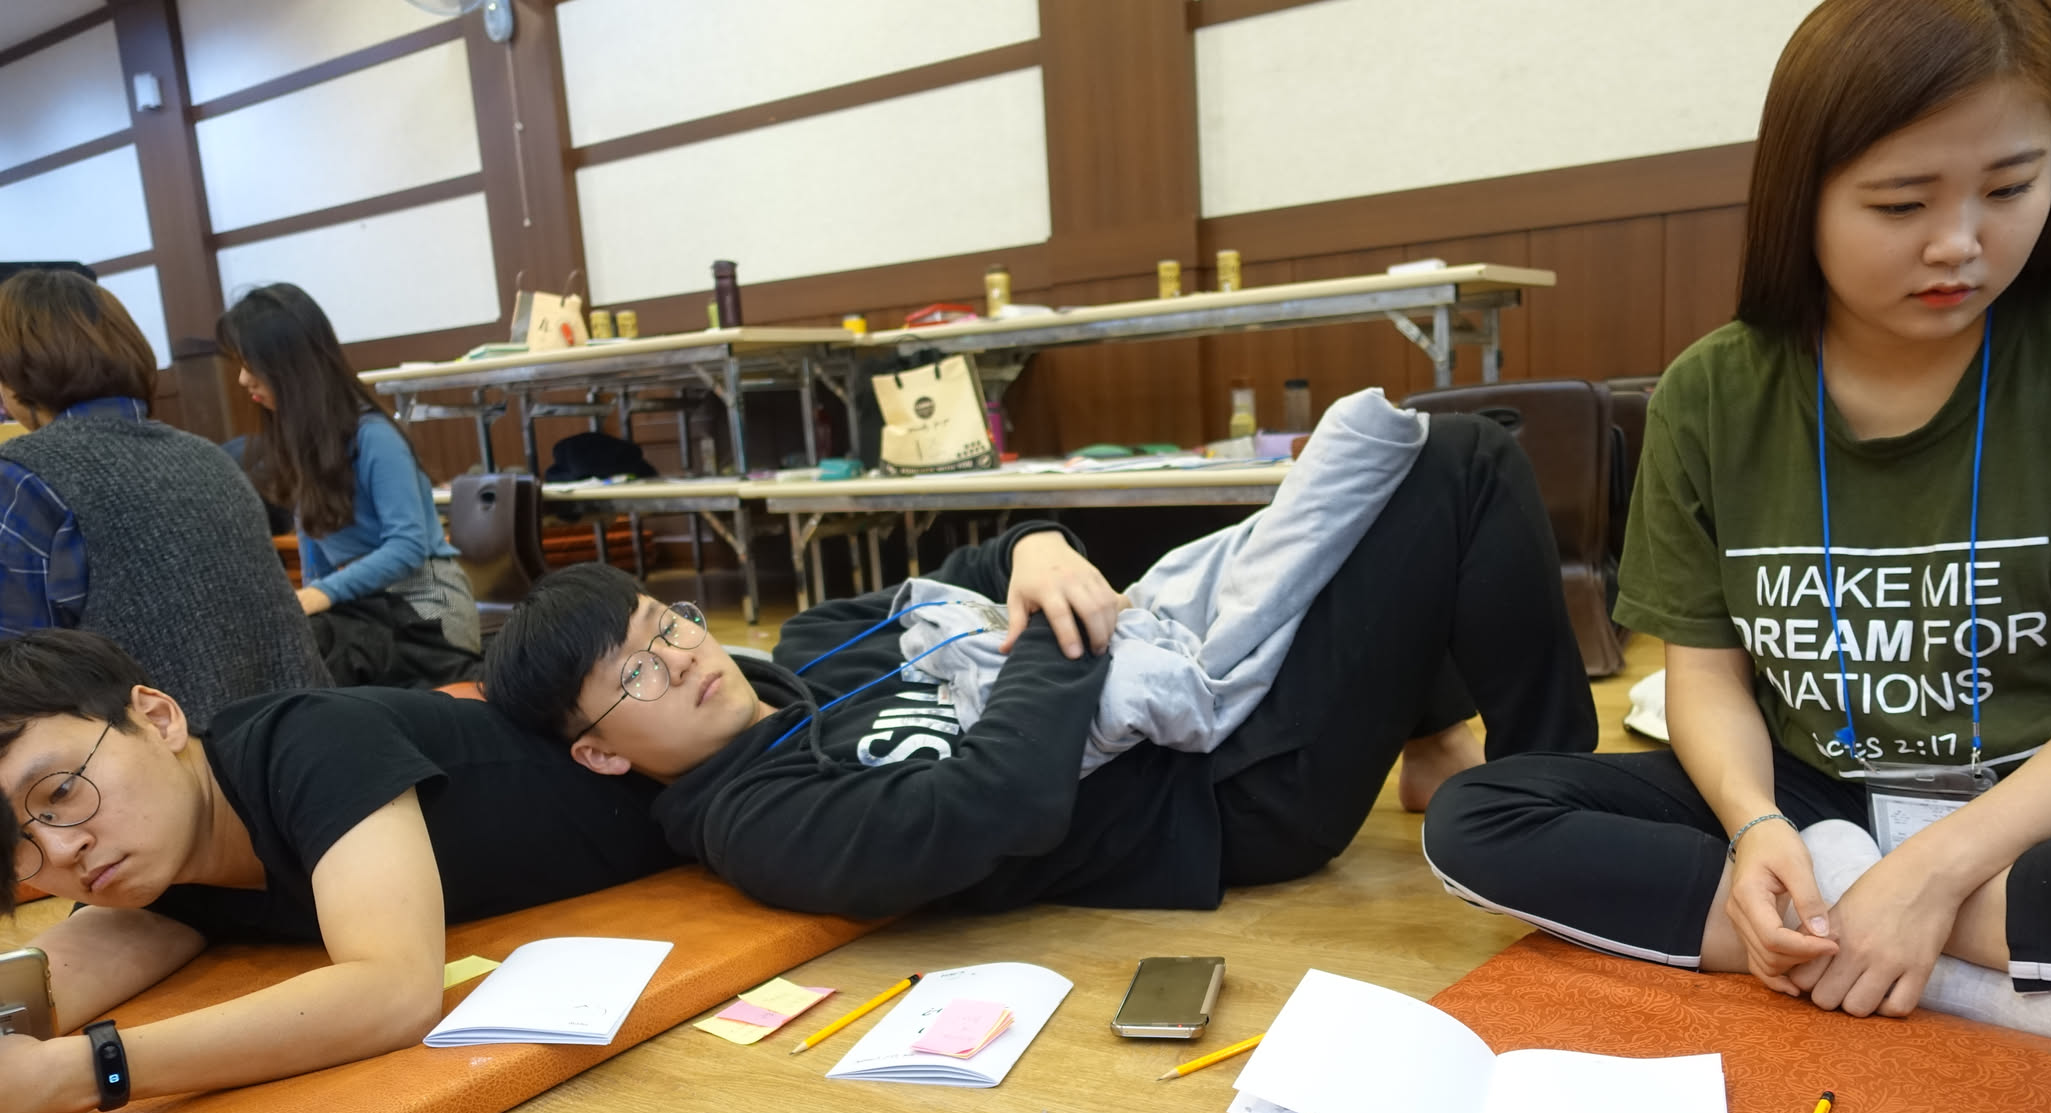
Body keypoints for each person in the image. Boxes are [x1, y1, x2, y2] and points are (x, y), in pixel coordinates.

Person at [1425, 0, 2051, 1073]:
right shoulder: (1712, 391)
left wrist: (1937, 872)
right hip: (1821, 796)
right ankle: (1986, 969)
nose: (1961, 244)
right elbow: (1705, 674)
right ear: (1799, 194)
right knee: (1480, 814)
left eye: (2011, 187)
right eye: (1901, 203)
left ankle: (1888, 929)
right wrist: (1756, 825)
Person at [480, 409, 1598, 920]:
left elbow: (982, 562)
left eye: (666, 624)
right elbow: (1000, 801)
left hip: (1187, 685)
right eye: (634, 675)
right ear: (601, 753)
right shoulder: (762, 826)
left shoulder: (814, 644)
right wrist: (1058, 623)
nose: (680, 659)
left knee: (1393, 465)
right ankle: (1550, 807)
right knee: (1462, 463)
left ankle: (1440, 743)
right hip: (1230, 801)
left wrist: (1041, 552)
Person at [0, 629, 682, 1113]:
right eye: (17, 844)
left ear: (156, 717)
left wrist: (85, 1073)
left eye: (63, 790)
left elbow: (394, 991)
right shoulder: (154, 866)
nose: (58, 850)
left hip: (695, 797)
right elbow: (40, 986)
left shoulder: (311, 743)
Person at [0, 268, 328, 720]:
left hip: (161, 753)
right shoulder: (209, 456)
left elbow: (17, 679)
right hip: (297, 737)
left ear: (15, 376)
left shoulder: (21, 476)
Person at [215, 283, 482, 657]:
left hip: (425, 606)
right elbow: (314, 557)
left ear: (291, 365)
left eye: (251, 364)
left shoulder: (373, 435)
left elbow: (407, 546)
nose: (244, 379)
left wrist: (321, 594)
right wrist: (310, 605)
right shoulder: (301, 442)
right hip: (365, 608)